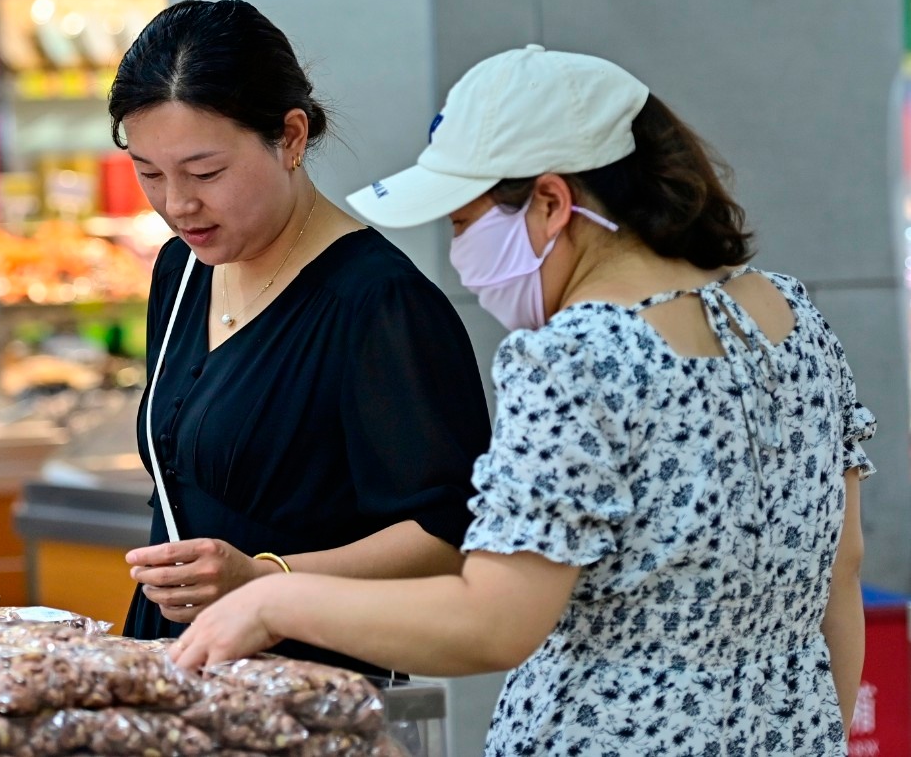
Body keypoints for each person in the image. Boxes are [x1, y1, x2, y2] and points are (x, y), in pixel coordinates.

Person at [171, 45, 875, 755]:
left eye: (462, 223)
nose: (458, 257)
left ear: (548, 202)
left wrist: (273, 597)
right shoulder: (788, 319)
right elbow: (839, 568)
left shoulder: (572, 358)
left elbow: (493, 621)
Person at [109, 0, 491, 674]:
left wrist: (266, 580)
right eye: (148, 174)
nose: (176, 204)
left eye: (205, 174)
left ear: (289, 138)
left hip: (310, 683)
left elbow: (449, 534)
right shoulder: (182, 268)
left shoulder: (377, 301)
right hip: (178, 668)